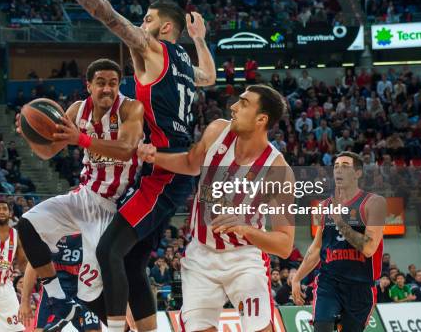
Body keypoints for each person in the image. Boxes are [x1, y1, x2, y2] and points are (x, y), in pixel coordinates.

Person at [22, 0, 216, 330]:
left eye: (146, 19)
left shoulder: (154, 49)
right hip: (165, 169)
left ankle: (111, 327)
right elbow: (210, 76)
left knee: (111, 249)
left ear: (163, 28)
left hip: (163, 170)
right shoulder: (183, 62)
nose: (139, 24)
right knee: (131, 260)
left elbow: (105, 13)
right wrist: (199, 40)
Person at [138, 84, 294, 332]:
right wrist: (153, 156)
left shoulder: (279, 170)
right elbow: (190, 163)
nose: (233, 107)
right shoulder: (218, 131)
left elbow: (285, 245)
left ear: (261, 119)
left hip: (244, 259)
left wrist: (245, 228)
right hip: (201, 256)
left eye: (243, 103)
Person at [16, 59, 144, 331]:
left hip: (115, 207)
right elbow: (48, 152)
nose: (107, 89)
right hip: (85, 196)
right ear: (89, 85)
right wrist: (28, 134)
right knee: (27, 225)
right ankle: (59, 300)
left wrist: (82, 140)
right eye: (101, 83)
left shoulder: (131, 108)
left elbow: (126, 149)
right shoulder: (77, 110)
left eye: (113, 83)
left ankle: (121, 328)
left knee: (91, 293)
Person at [292, 152, 386, 332]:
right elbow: (317, 247)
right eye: (336, 166)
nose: (338, 170)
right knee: (322, 327)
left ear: (357, 173)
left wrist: (340, 222)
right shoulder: (325, 206)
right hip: (329, 282)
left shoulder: (374, 203)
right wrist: (297, 278)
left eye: (345, 166)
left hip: (361, 285)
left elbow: (368, 248)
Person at [25, 235, 102, 332]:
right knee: (40, 329)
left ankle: (61, 319)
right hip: (55, 286)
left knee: (93, 329)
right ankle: (59, 319)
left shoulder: (94, 232)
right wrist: (25, 301)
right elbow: (32, 263)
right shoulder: (49, 229)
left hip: (84, 286)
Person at [0, 200, 26, 332]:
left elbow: (23, 262)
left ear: (10, 213)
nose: (2, 211)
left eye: (4, 209)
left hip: (5, 286)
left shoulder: (16, 235)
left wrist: (32, 278)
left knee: (15, 327)